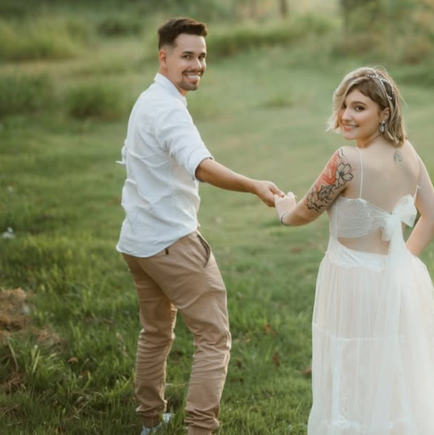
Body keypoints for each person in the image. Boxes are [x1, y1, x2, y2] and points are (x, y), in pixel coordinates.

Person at [274, 66, 434, 434]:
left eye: (359, 108)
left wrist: (284, 212)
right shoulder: (408, 153)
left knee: (352, 367)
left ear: (385, 113)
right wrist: (401, 262)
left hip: (350, 280)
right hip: (395, 280)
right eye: (344, 106)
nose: (346, 116)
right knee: (393, 371)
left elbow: (305, 212)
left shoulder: (346, 161)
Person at [116, 17, 283, 435]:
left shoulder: (148, 100)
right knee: (214, 338)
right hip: (172, 242)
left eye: (202, 57)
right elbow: (202, 167)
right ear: (164, 57)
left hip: (138, 242)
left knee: (155, 333)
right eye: (187, 56)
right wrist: (254, 185)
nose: (197, 65)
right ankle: (200, 428)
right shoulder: (169, 111)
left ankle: (150, 421)